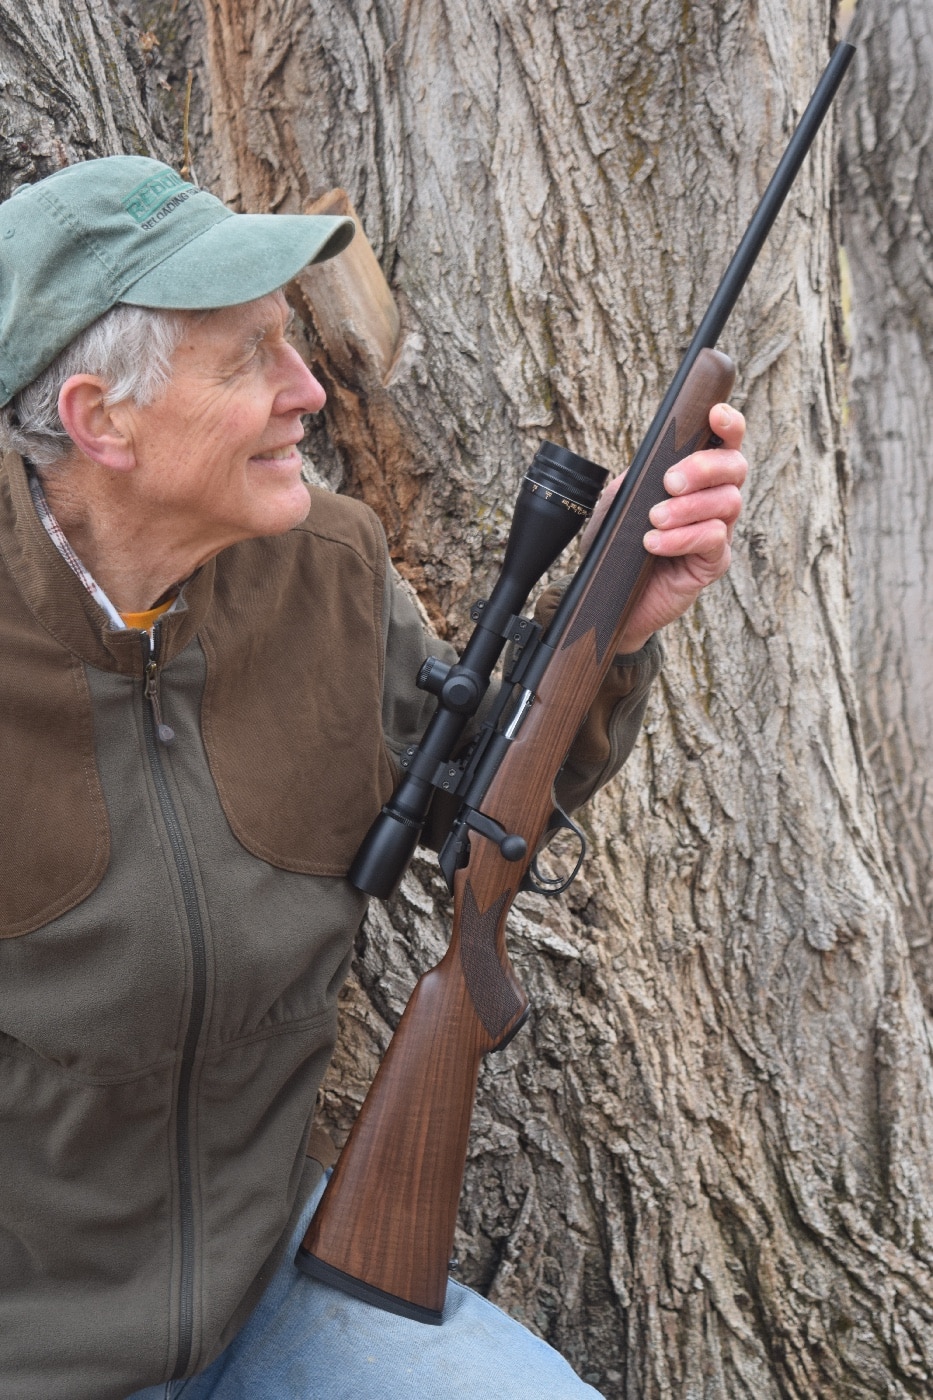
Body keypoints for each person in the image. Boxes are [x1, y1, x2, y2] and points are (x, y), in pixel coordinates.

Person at [0, 156, 747, 1400]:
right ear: (98, 419)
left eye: (293, 342)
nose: (309, 393)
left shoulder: (325, 568)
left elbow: (474, 813)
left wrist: (609, 631)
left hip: (269, 1293)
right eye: (248, 360)